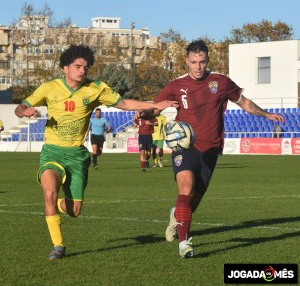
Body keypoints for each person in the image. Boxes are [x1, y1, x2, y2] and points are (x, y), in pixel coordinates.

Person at [14, 45, 178, 260]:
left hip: (77, 156)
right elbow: (20, 107)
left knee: (74, 211)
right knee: (49, 191)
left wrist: (155, 104)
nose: (82, 71)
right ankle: (58, 246)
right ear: (65, 68)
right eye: (78, 66)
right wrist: (25, 111)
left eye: (86, 67)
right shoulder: (49, 88)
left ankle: (53, 206)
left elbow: (124, 103)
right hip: (52, 152)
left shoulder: (96, 88)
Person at [153, 39, 285, 258]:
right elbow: (155, 107)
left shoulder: (220, 82)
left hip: (211, 149)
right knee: (185, 188)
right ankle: (184, 243)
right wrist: (145, 113)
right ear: (186, 61)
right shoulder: (176, 85)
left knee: (192, 201)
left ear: (207, 61)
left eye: (202, 62)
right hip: (184, 147)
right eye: (194, 62)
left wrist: (267, 114)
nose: (198, 67)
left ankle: (176, 215)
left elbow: (243, 102)